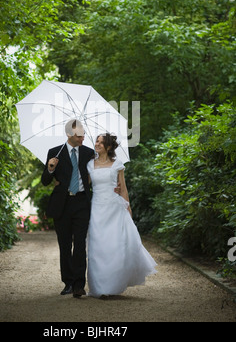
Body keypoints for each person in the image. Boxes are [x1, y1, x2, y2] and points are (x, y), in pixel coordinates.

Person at [42, 120, 119, 298]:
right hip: (62, 204)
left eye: (84, 134)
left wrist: (113, 186)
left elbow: (101, 170)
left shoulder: (89, 153)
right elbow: (45, 180)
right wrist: (50, 169)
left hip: (82, 203)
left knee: (80, 245)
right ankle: (67, 283)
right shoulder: (55, 153)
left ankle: (78, 285)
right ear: (69, 135)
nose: (83, 137)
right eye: (79, 135)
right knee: (64, 244)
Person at [87, 133, 157, 298]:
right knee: (97, 247)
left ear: (109, 147)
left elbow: (123, 188)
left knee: (114, 246)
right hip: (97, 209)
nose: (96, 144)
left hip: (114, 208)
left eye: (100, 142)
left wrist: (128, 207)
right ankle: (98, 287)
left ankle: (113, 284)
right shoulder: (90, 164)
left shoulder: (117, 164)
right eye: (96, 141)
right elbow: (85, 186)